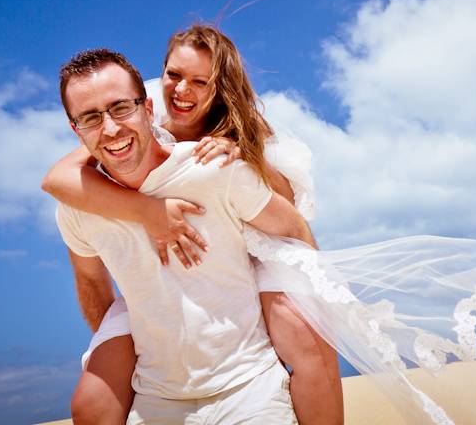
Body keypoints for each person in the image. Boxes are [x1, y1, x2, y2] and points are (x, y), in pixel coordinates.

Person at [44, 26, 343, 425]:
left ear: (220, 89)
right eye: (174, 75)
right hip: (167, 270)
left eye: (200, 82)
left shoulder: (229, 145)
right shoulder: (133, 106)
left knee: (307, 343)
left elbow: (286, 210)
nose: (182, 90)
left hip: (257, 243)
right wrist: (147, 211)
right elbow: (56, 179)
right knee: (91, 401)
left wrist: (242, 152)